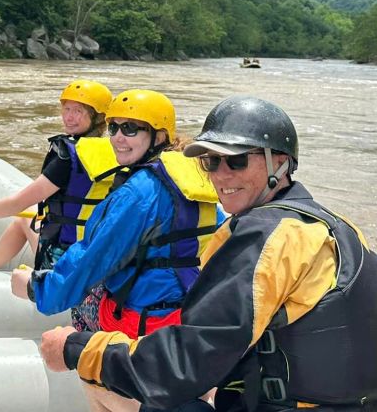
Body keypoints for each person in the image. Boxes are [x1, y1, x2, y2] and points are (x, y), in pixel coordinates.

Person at [39, 95, 377, 412]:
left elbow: (175, 369)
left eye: (236, 160)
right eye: (210, 162)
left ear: (280, 162)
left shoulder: (262, 239)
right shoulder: (336, 226)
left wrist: (78, 349)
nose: (221, 175)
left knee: (98, 378)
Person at [12, 89, 225, 338]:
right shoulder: (195, 175)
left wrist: (34, 288)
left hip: (142, 322)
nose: (118, 138)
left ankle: (91, 366)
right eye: (113, 128)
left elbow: (91, 259)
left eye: (131, 129)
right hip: (189, 308)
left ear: (159, 136)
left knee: (83, 301)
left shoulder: (137, 193)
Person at [0, 79, 117, 274]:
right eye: (67, 109)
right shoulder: (120, 151)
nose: (69, 117)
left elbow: (16, 204)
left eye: (78, 111)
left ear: (97, 117)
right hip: (102, 253)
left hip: (65, 262)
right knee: (27, 218)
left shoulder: (68, 158)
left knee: (23, 216)